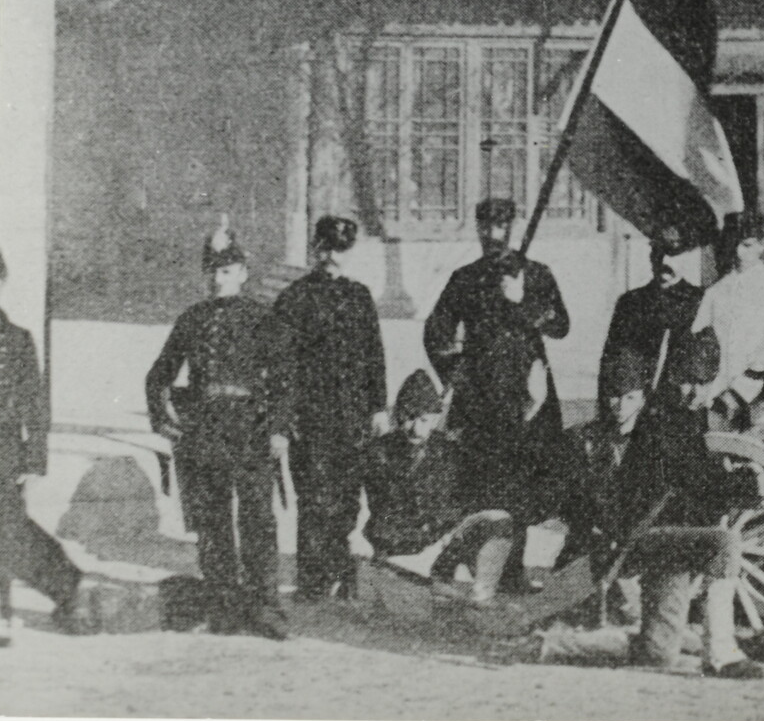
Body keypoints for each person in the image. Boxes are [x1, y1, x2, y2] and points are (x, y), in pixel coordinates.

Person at [558, 346, 764, 678]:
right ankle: (722, 654)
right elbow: (570, 503)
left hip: (659, 549)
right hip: (623, 546)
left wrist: (749, 487)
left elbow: (699, 483)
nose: (619, 406)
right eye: (613, 396)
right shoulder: (586, 440)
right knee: (724, 542)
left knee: (656, 656)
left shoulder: (659, 436)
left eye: (629, 397)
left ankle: (558, 645)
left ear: (642, 398)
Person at [145, 221, 295, 639]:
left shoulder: (263, 319)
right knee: (212, 523)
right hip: (204, 430)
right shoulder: (192, 320)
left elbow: (284, 379)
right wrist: (163, 420)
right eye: (212, 270)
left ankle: (265, 606)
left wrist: (279, 429)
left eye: (227, 270)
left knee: (257, 521)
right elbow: (158, 375)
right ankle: (224, 604)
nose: (218, 278)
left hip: (250, 429)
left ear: (243, 273)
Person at [422, 198, 571, 592]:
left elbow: (560, 326)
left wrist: (523, 301)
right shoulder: (464, 278)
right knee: (483, 486)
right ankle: (481, 567)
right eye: (484, 226)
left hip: (527, 398)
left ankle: (513, 570)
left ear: (513, 227)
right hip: (481, 399)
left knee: (522, 486)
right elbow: (436, 330)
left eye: (500, 226)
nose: (492, 235)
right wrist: (455, 374)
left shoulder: (537, 275)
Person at [271, 215, 388, 602]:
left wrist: (378, 407)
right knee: (315, 497)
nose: (332, 256)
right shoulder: (294, 298)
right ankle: (312, 581)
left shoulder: (360, 296)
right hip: (313, 416)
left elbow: (374, 356)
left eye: (340, 249)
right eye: (325, 248)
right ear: (314, 250)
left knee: (347, 498)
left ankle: (342, 573)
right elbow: (282, 365)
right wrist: (283, 422)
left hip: (353, 415)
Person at [0, 249, 84, 646]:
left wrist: (35, 457)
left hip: (4, 449)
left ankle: (0, 607)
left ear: (2, 285)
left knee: (2, 528)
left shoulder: (18, 340)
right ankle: (57, 585)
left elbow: (35, 404)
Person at [358, 370, 517, 605]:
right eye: (408, 417)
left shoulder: (447, 451)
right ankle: (435, 588)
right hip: (399, 556)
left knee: (498, 519)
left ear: (435, 419)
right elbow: (384, 517)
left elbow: (468, 499)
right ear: (396, 415)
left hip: (437, 545)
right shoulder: (379, 452)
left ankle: (481, 598)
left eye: (423, 420)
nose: (415, 428)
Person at [691, 209, 764, 432]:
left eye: (747, 245)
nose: (738, 252)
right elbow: (700, 341)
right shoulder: (716, 292)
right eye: (734, 243)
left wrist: (739, 393)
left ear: (761, 244)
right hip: (719, 405)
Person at [598, 222, 705, 416]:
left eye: (672, 253)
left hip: (681, 414)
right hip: (636, 415)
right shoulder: (630, 303)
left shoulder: (701, 302)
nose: (663, 260)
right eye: (657, 251)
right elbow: (611, 364)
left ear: (686, 256)